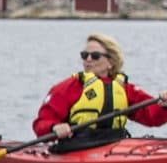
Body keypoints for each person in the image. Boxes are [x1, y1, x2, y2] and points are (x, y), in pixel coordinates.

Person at [32, 33, 166, 150]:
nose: (88, 59)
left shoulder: (125, 89)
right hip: (75, 147)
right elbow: (41, 124)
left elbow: (152, 116)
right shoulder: (68, 87)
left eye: (95, 56)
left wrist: (165, 104)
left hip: (114, 146)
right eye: (84, 55)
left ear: (111, 62)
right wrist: (54, 127)